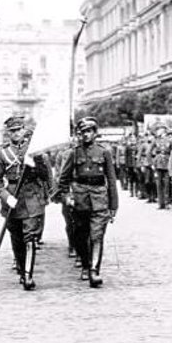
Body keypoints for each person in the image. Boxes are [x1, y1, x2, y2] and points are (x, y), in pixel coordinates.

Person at [0, 115, 52, 291]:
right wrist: (5, 196)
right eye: (12, 131)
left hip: (32, 197)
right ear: (8, 133)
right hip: (12, 199)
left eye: (18, 130)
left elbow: (46, 175)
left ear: (24, 130)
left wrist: (36, 163)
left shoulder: (35, 150)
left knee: (30, 237)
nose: (16, 134)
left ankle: (28, 275)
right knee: (16, 238)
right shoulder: (2, 153)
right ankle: (20, 266)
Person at [56, 117, 118, 288]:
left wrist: (113, 206)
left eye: (89, 131)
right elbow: (63, 180)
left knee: (97, 236)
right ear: (79, 134)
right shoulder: (73, 153)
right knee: (80, 235)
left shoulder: (104, 152)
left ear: (95, 133)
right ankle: (85, 264)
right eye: (83, 132)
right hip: (80, 199)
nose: (86, 135)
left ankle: (94, 271)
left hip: (99, 198)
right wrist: (67, 196)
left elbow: (111, 180)